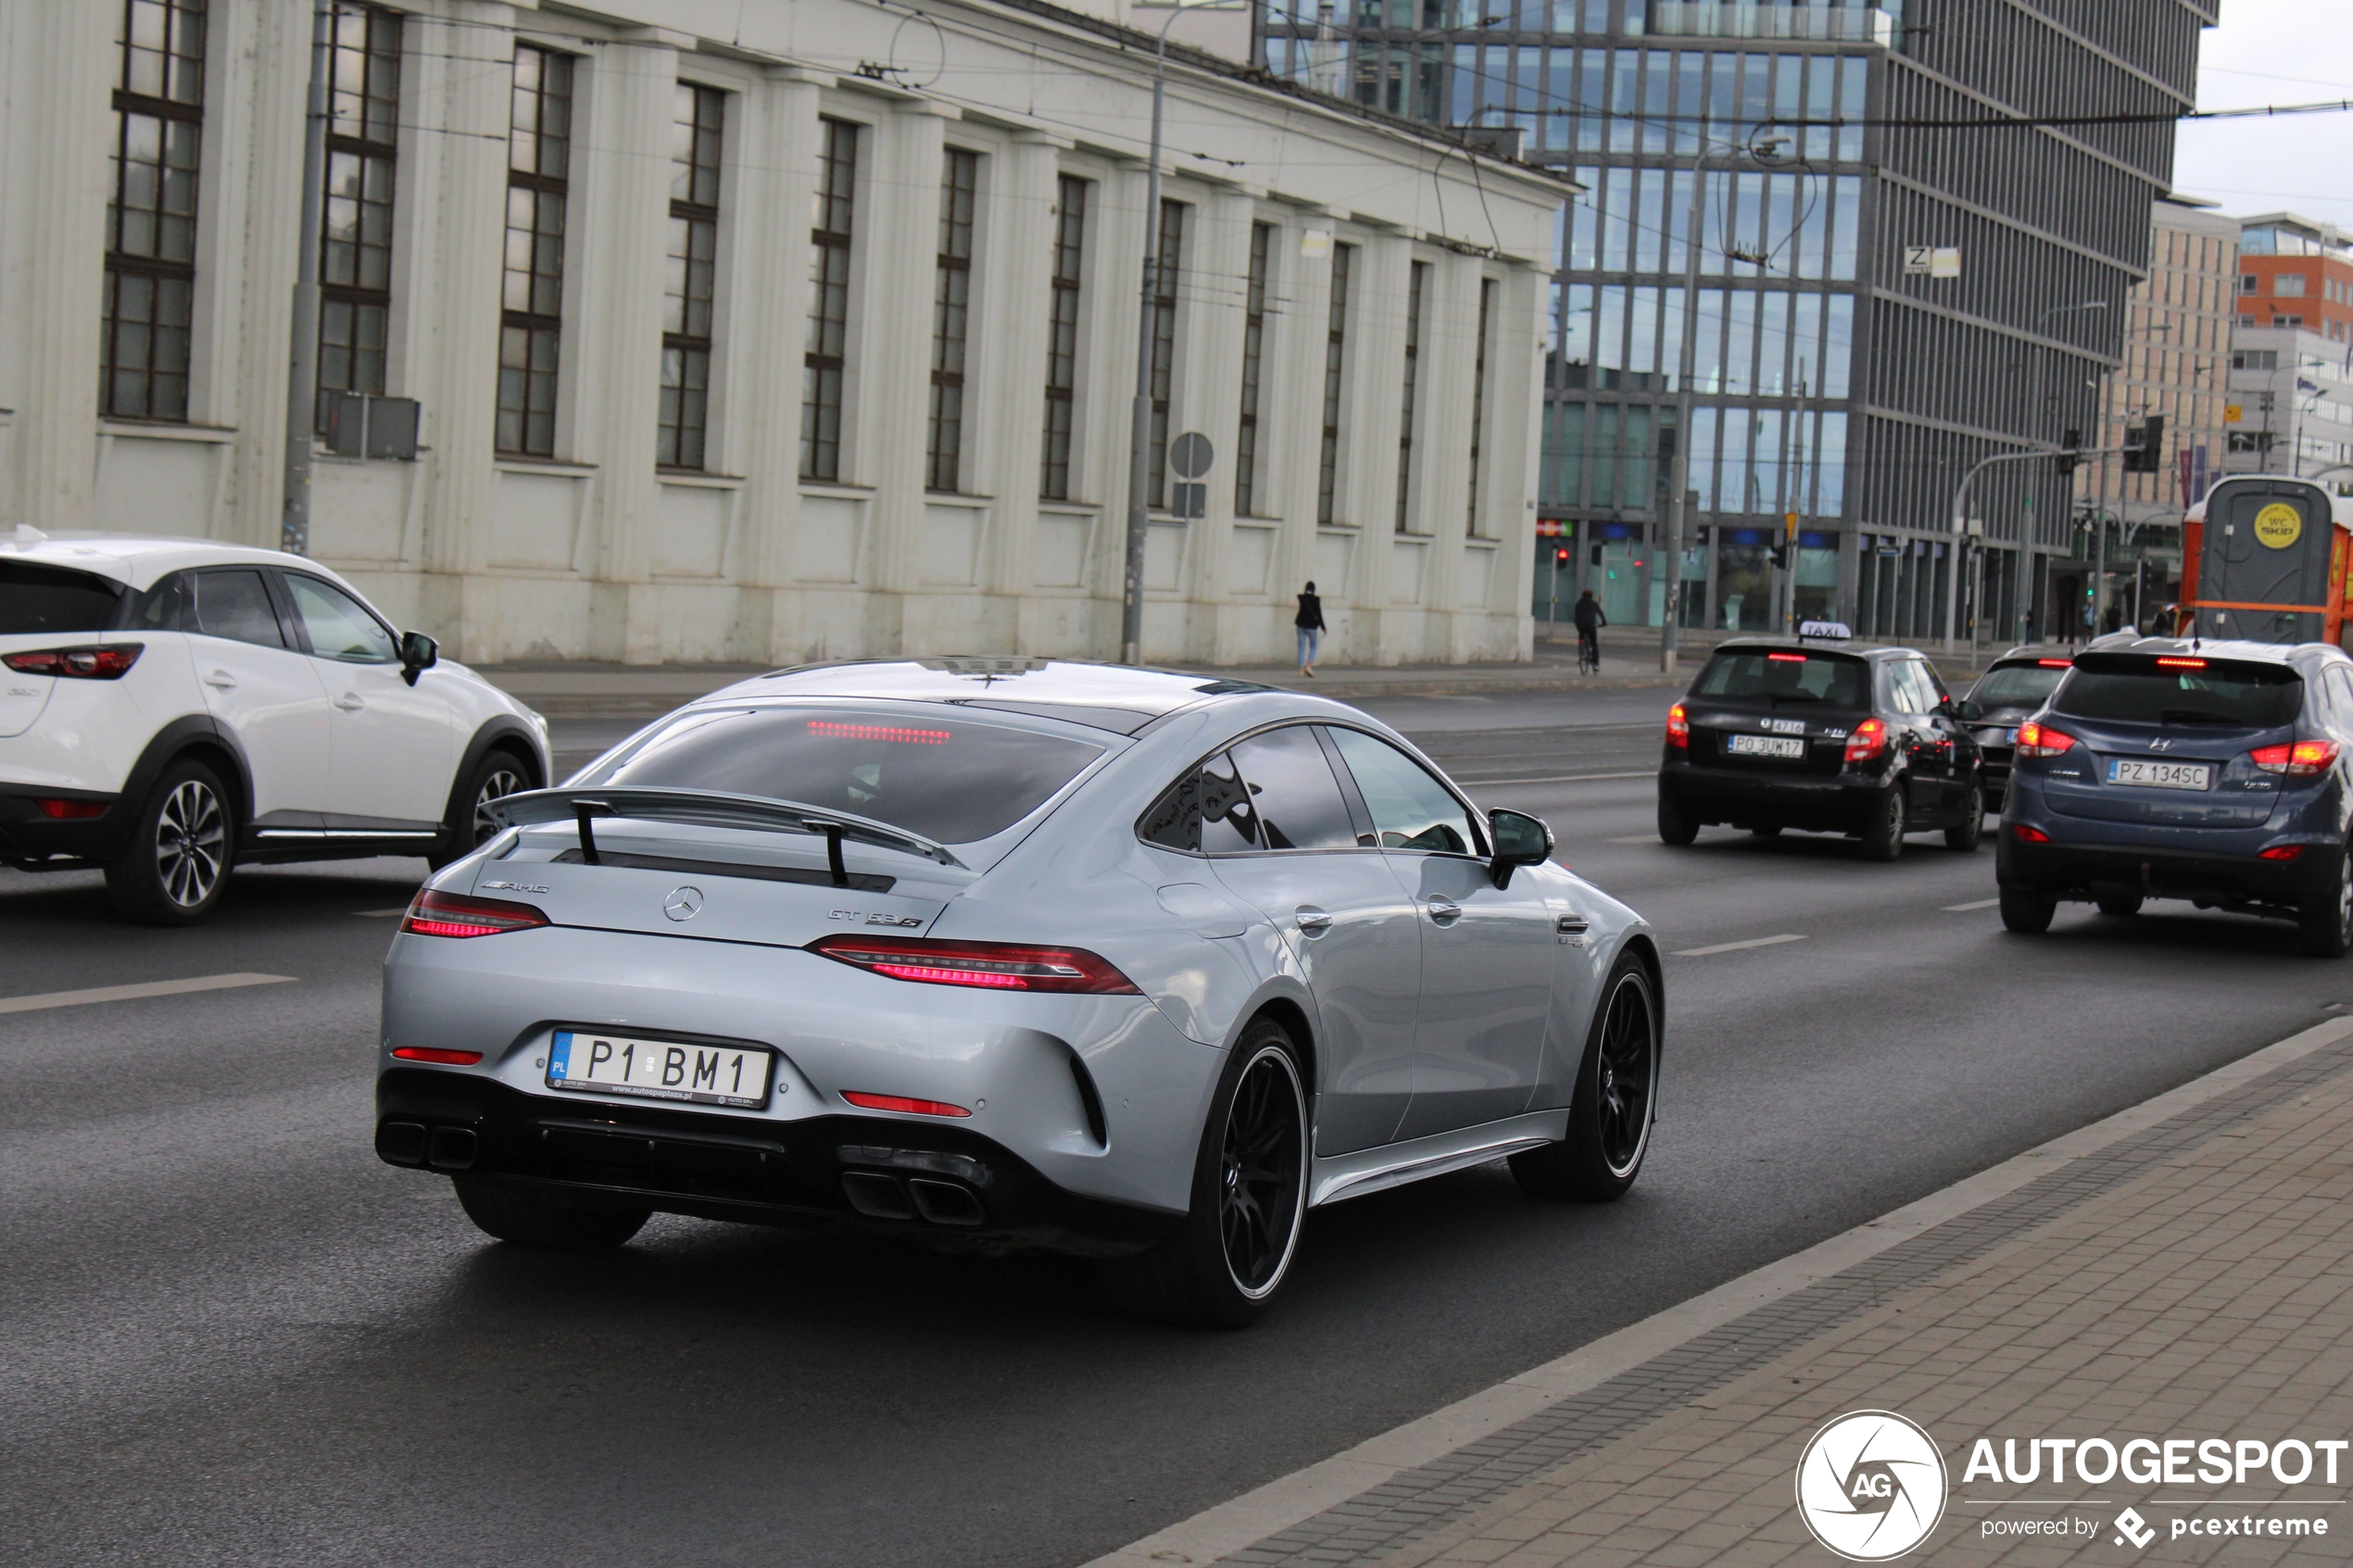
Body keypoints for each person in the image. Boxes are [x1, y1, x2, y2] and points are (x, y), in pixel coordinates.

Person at [1295, 581, 1326, 677]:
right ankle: (1309, 666)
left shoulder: (1301, 598)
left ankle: (1301, 670)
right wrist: (1323, 627)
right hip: (1312, 627)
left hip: (1300, 625)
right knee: (1313, 646)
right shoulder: (1316, 600)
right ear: (1314, 590)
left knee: (1301, 648)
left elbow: (1301, 595)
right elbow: (1319, 614)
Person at [1572, 588, 1605, 673]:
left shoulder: (1578, 604)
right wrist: (1603, 623)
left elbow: (1576, 617)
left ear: (1582, 596)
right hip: (1591, 627)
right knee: (1594, 645)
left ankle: (1581, 650)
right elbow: (1601, 614)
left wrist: (1577, 625)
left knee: (1581, 637)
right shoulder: (1594, 604)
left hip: (1581, 626)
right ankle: (1596, 665)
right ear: (1591, 596)